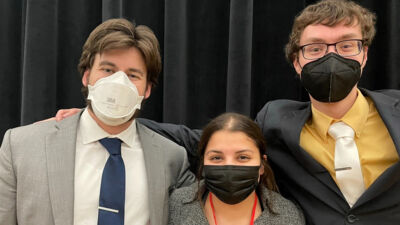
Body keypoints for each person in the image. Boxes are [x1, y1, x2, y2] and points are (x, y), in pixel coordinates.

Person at [51, 0, 400, 224]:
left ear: (365, 54)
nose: (330, 57)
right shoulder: (276, 121)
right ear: (297, 61)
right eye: (316, 48)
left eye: (346, 45)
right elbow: (205, 140)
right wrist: (105, 118)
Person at [0, 18, 194, 225]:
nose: (119, 83)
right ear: (86, 76)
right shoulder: (21, 146)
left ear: (147, 89)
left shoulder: (171, 158)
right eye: (108, 70)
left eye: (133, 75)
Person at [168, 112, 304, 225]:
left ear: (262, 165)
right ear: (203, 163)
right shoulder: (175, 206)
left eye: (243, 157)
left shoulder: (288, 216)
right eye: (216, 158)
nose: (229, 166)